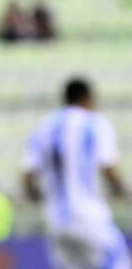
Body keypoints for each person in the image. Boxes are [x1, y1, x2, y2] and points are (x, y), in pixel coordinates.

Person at [23, 78, 129, 269]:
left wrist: (36, 196)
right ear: (87, 98)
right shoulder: (94, 122)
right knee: (119, 262)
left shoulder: (45, 126)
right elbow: (108, 168)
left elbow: (28, 175)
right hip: (88, 216)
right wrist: (122, 191)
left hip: (56, 220)